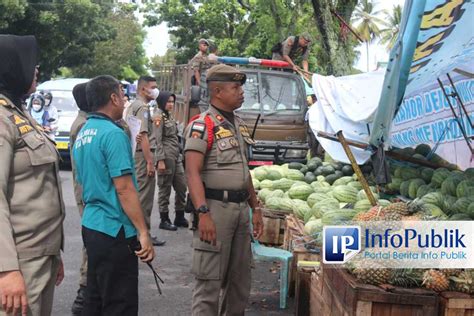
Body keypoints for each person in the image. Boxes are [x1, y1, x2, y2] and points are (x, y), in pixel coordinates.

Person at [184, 64, 264, 315]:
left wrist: (256, 207)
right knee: (209, 284)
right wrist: (203, 213)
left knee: (240, 283)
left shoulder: (236, 123)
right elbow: (192, 173)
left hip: (240, 211)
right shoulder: (202, 125)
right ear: (217, 91)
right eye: (236, 87)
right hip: (215, 211)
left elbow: (243, 171)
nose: (241, 92)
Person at [73, 75, 155, 315]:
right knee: (120, 303)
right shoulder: (113, 133)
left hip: (92, 225)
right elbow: (124, 188)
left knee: (95, 297)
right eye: (122, 93)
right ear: (113, 97)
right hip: (115, 230)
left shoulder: (85, 131)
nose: (125, 99)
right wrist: (143, 231)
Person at [0, 34, 65, 316]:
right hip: (19, 260)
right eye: (31, 63)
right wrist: (6, 270)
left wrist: (53, 253)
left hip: (39, 255)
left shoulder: (19, 114)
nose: (36, 70)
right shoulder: (2, 121)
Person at [126, 76, 173, 239]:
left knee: (139, 195)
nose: (155, 90)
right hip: (143, 155)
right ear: (143, 89)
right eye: (153, 87)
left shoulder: (134, 105)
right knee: (144, 198)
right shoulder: (143, 108)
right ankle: (143, 234)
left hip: (136, 154)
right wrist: (149, 161)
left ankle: (138, 233)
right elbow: (143, 136)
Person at [69, 82, 90, 315]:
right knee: (90, 239)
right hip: (85, 190)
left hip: (83, 187)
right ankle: (84, 290)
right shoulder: (83, 124)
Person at [153, 91, 188, 228]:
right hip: (166, 156)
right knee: (165, 188)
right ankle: (164, 219)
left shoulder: (169, 117)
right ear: (162, 102)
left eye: (172, 102)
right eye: (168, 101)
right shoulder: (158, 117)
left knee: (181, 186)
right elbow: (157, 140)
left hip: (175, 155)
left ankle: (179, 216)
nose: (171, 104)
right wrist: (160, 160)